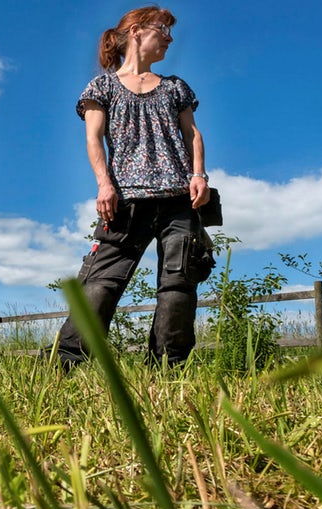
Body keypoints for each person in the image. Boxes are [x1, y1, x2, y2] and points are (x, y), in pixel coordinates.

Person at [53, 6, 213, 368]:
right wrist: (104, 184)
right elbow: (93, 138)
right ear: (137, 31)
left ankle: (170, 370)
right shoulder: (103, 86)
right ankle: (68, 367)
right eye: (164, 29)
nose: (170, 37)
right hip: (124, 200)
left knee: (178, 286)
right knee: (100, 285)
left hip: (178, 199)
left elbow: (193, 134)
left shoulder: (175, 86)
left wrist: (199, 174)